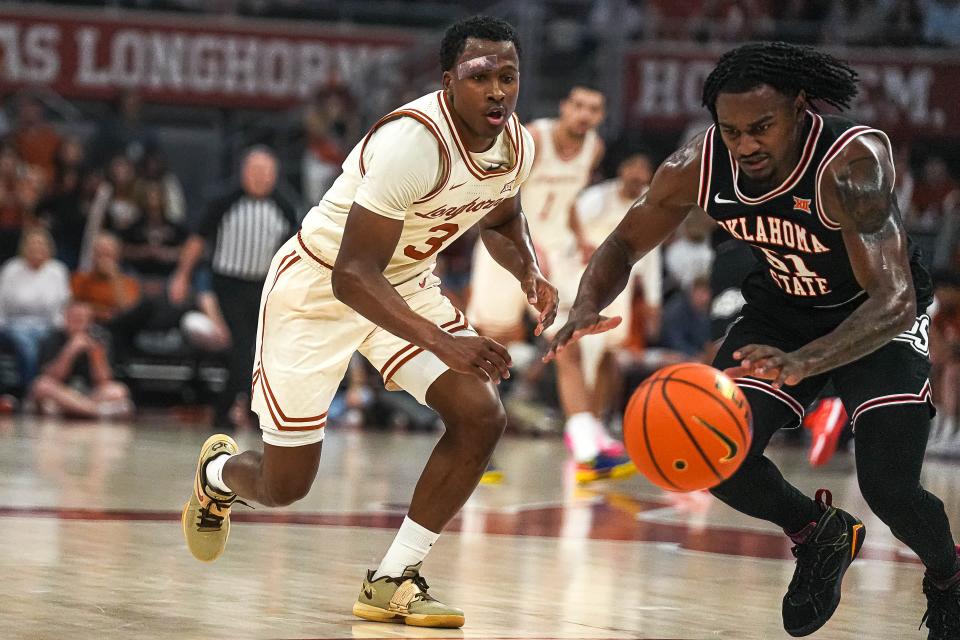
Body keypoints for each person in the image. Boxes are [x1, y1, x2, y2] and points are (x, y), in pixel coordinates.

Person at [546, 42, 960, 638]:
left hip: (879, 318)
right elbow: (623, 243)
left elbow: (892, 299)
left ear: (798, 107)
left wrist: (807, 361)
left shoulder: (850, 161)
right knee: (719, 451)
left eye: (761, 127)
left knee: (889, 488)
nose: (745, 145)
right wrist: (586, 303)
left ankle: (947, 578)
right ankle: (819, 534)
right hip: (782, 313)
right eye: (731, 130)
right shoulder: (700, 163)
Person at [181, 15, 555, 629]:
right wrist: (443, 342)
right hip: (320, 290)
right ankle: (219, 475)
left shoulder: (517, 144)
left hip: (405, 284)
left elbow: (502, 220)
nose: (496, 90)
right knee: (285, 485)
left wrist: (529, 273)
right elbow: (351, 275)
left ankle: (392, 579)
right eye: (479, 76)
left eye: (508, 77)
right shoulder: (413, 142)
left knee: (481, 413)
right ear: (448, 82)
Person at [466, 84, 631, 479]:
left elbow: (569, 198)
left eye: (593, 108)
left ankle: (587, 448)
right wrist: (526, 243)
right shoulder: (535, 138)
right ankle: (470, 442)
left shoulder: (594, 148)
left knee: (567, 343)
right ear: (563, 107)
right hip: (506, 250)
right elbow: (500, 193)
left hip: (552, 257)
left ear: (601, 116)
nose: (584, 114)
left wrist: (580, 236)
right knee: (492, 345)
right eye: (578, 105)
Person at [169, 147, 298, 431]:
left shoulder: (284, 206)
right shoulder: (224, 201)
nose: (261, 178)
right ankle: (225, 412)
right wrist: (182, 275)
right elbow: (197, 240)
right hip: (228, 285)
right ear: (244, 173)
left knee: (259, 352)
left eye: (267, 173)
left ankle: (248, 410)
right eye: (256, 171)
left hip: (263, 287)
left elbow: (295, 249)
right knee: (242, 350)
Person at [560, 153, 663, 481]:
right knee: (576, 358)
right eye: (632, 165)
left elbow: (653, 253)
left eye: (644, 167)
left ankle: (596, 428)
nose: (638, 172)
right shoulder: (594, 199)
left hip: (621, 292)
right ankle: (584, 439)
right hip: (579, 286)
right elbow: (566, 234)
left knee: (607, 360)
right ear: (622, 169)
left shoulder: (651, 204)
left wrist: (653, 300)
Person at [31, 300, 133, 419]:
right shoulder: (51, 338)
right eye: (74, 318)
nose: (78, 323)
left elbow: (104, 380)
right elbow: (51, 377)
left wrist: (96, 355)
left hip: (89, 394)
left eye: (82, 319)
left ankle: (72, 409)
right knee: (41, 386)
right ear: (65, 318)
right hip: (62, 391)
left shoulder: (99, 338)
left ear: (90, 321)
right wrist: (70, 351)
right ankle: (96, 412)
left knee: (118, 391)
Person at [0, 227, 71, 387]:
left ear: (48, 247)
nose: (36, 248)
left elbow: (63, 303)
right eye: (32, 244)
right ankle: (32, 389)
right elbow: (1, 302)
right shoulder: (11, 269)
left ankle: (43, 389)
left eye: (40, 244)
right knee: (25, 343)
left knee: (44, 343)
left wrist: (60, 328)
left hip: (48, 325)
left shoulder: (57, 271)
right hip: (14, 325)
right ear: (24, 247)